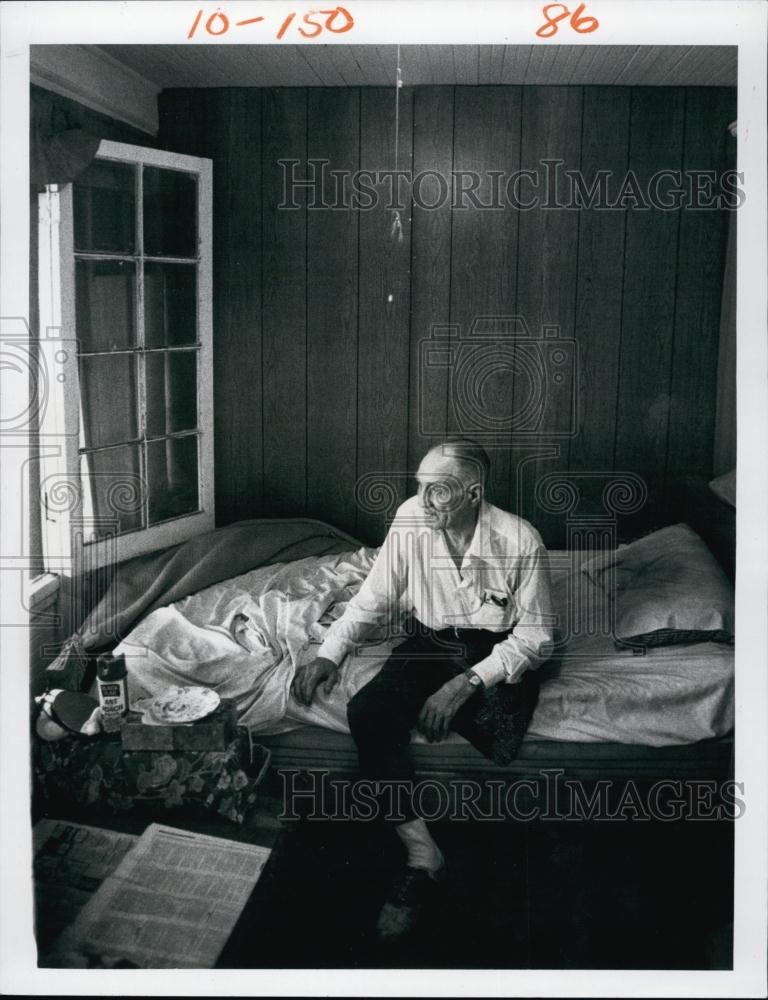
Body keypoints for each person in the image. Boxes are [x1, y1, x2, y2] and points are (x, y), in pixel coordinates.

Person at [291, 438, 554, 941]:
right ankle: (422, 853)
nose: (424, 500)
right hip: (432, 639)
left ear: (474, 492)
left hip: (495, 648)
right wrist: (330, 651)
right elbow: (377, 594)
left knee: (495, 732)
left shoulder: (521, 540)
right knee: (369, 712)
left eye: (439, 491)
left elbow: (538, 637)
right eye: (421, 486)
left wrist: (467, 682)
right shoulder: (412, 518)